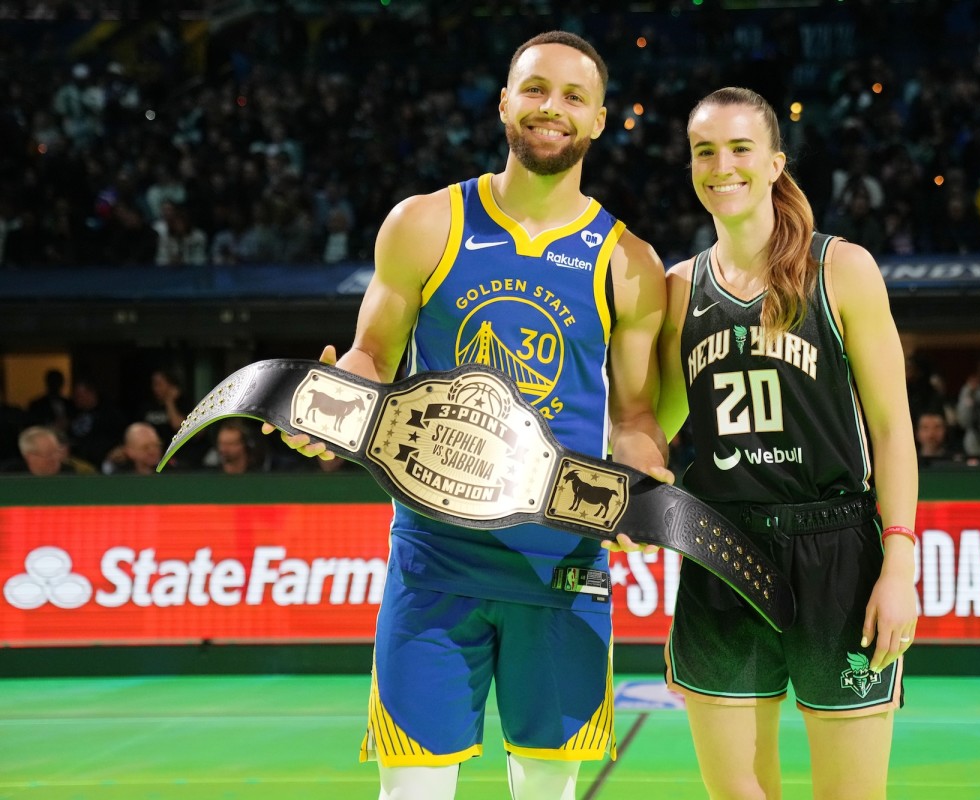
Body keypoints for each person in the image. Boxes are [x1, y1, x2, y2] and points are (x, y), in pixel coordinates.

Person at [267, 31, 667, 800]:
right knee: (412, 791)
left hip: (564, 566)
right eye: (537, 89)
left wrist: (643, 475)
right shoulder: (426, 223)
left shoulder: (629, 263)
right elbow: (373, 359)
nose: (553, 108)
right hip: (434, 561)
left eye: (574, 97)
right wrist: (325, 407)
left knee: (546, 792)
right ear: (505, 104)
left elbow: (635, 416)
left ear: (601, 120)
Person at [656, 87, 917, 800]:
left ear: (775, 163)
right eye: (704, 151)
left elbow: (892, 428)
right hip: (720, 549)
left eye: (740, 148)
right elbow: (655, 423)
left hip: (837, 551)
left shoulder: (843, 271)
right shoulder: (680, 290)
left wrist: (899, 563)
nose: (721, 164)